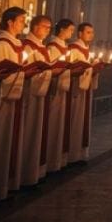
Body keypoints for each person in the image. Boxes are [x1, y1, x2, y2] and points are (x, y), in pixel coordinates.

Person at [0, 7, 28, 203]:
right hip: (2, 98)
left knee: (8, 142)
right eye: (21, 21)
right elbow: (0, 72)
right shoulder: (3, 43)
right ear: (10, 22)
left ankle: (2, 185)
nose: (24, 25)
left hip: (13, 96)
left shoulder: (16, 43)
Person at [18, 15, 53, 187]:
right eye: (45, 27)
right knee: (27, 132)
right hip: (28, 95)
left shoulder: (41, 46)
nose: (47, 30)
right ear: (34, 27)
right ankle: (24, 173)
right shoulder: (27, 46)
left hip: (40, 93)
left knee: (37, 131)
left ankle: (33, 171)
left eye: (49, 28)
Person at [42, 19, 75, 174]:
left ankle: (57, 160)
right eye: (70, 30)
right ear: (61, 29)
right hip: (54, 90)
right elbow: (51, 67)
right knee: (53, 124)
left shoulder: (64, 46)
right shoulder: (53, 46)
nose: (71, 33)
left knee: (60, 125)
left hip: (63, 88)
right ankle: (50, 160)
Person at [66, 21, 101, 164]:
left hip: (84, 90)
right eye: (88, 32)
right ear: (79, 34)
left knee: (82, 121)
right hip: (76, 90)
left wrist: (95, 69)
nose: (91, 35)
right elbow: (72, 69)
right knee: (75, 120)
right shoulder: (74, 48)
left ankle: (80, 154)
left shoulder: (86, 49)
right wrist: (89, 69)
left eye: (92, 32)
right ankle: (72, 154)